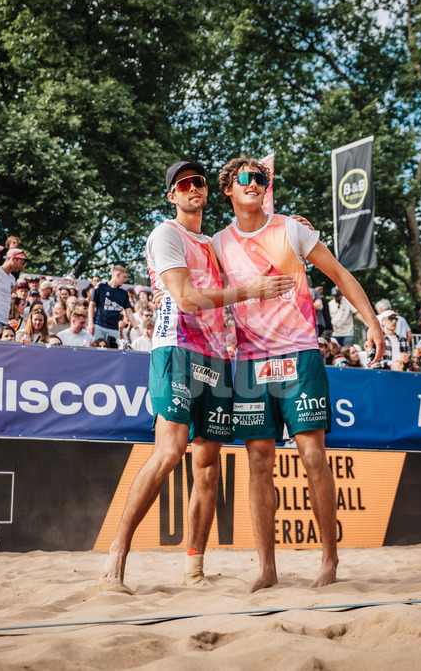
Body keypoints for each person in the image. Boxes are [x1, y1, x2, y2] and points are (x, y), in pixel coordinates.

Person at [100, 159, 294, 595]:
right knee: (169, 452)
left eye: (199, 182)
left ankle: (194, 568)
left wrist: (287, 230)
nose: (193, 188)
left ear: (208, 191)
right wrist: (248, 292)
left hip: (217, 356)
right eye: (183, 184)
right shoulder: (166, 233)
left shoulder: (216, 243)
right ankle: (117, 555)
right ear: (172, 194)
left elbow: (260, 262)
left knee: (207, 466)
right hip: (176, 350)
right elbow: (187, 299)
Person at [213, 155, 383, 592]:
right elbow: (195, 288)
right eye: (246, 178)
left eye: (262, 178)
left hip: (299, 352)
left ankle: (329, 559)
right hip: (250, 361)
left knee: (312, 456)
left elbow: (340, 274)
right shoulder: (216, 243)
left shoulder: (291, 228)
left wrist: (374, 323)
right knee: (257, 462)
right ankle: (267, 568)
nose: (256, 183)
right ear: (228, 189)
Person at [88, 264, 136, 342]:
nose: (125, 280)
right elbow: (92, 304)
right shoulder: (100, 286)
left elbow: (129, 311)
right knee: (96, 350)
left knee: (112, 352)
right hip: (99, 325)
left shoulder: (123, 293)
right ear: (118, 275)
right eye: (124, 277)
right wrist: (90, 323)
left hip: (113, 328)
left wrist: (136, 328)